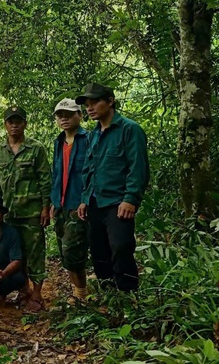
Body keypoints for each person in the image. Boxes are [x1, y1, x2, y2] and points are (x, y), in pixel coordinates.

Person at [76, 83, 149, 292]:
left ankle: (128, 297)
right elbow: (88, 169)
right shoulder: (93, 135)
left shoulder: (129, 129)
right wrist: (84, 198)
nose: (89, 108)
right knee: (98, 251)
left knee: (121, 248)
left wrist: (131, 199)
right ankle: (108, 296)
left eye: (94, 102)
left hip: (118, 202)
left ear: (110, 101)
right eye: (87, 105)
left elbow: (138, 168)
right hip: (94, 202)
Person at [0, 106, 51, 312]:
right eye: (10, 121)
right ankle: (23, 289)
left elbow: (45, 179)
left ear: (24, 123)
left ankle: (36, 293)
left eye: (18, 121)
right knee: (15, 255)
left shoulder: (36, 148)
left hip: (32, 212)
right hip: (9, 214)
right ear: (5, 124)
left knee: (35, 252)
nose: (14, 125)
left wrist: (46, 207)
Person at [50, 99, 90, 301]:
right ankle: (77, 292)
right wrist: (53, 201)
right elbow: (57, 173)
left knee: (72, 250)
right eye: (60, 115)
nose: (63, 118)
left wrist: (86, 199)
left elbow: (92, 172)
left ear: (80, 115)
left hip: (78, 204)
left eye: (68, 114)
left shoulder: (89, 139)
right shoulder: (59, 142)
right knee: (64, 251)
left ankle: (81, 293)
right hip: (61, 204)